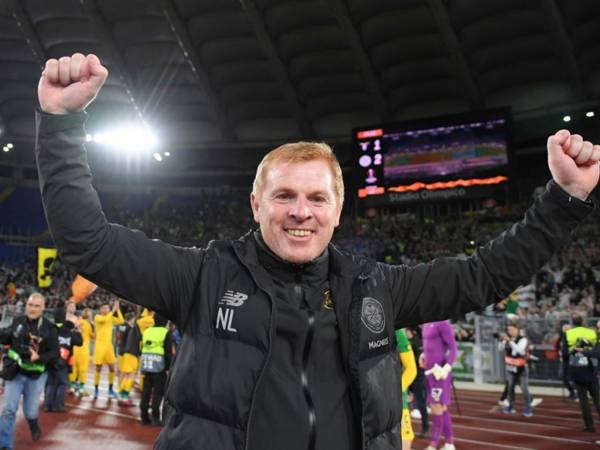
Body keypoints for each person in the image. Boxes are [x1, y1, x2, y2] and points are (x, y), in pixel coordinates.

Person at [35, 53, 598, 449]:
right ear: (256, 202)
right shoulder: (201, 277)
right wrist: (61, 125)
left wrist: (565, 200)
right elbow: (89, 242)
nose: (300, 211)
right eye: (284, 195)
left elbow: (483, 276)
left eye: (315, 198)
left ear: (337, 207)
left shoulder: (377, 287)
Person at [0, 293, 59, 448]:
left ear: (43, 308)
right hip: (15, 372)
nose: (32, 309)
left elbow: (55, 353)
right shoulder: (17, 321)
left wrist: (38, 357)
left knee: (30, 412)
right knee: (8, 410)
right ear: (26, 305)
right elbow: (7, 338)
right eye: (30, 305)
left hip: (36, 375)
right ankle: (5, 445)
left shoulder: (49, 327)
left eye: (37, 306)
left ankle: (33, 423)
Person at [422, 320, 457, 450]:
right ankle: (449, 443)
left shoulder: (443, 322)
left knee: (436, 406)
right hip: (429, 373)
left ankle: (433, 444)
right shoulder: (425, 322)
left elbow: (453, 348)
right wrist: (423, 355)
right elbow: (430, 345)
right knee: (442, 409)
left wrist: (446, 368)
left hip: (439, 373)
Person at [44, 305, 82, 412]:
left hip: (50, 360)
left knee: (51, 383)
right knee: (63, 383)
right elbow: (79, 342)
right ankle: (58, 405)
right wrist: (78, 329)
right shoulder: (68, 330)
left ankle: (48, 405)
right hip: (63, 361)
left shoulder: (51, 328)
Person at [566, 313, 600, 432]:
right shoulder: (591, 332)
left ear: (572, 322)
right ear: (583, 321)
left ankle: (589, 425)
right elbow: (596, 348)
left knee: (583, 399)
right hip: (591, 367)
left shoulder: (569, 333)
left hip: (577, 368)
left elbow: (566, 352)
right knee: (597, 397)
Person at [139, 314, 172, 425]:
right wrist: (168, 367)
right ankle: (155, 417)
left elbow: (142, 347)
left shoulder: (147, 331)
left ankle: (143, 416)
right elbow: (168, 352)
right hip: (159, 366)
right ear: (165, 321)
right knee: (158, 393)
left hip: (147, 364)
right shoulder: (165, 332)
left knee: (146, 392)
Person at [499, 321, 533, 416]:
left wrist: (510, 341)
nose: (510, 331)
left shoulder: (523, 339)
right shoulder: (507, 339)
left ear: (517, 330)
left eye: (512, 329)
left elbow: (520, 350)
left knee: (524, 388)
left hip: (521, 368)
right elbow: (500, 349)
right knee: (510, 388)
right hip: (510, 368)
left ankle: (528, 408)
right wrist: (502, 341)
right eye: (509, 330)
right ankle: (511, 406)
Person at [92, 300, 123, 399]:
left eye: (107, 308)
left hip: (109, 347)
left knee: (112, 368)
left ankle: (110, 389)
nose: (106, 309)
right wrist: (113, 311)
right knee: (98, 368)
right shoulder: (97, 317)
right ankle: (96, 389)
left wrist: (117, 310)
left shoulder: (110, 317)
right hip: (99, 346)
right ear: (100, 310)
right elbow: (104, 320)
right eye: (104, 308)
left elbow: (121, 321)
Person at [396, 328, 417, 450]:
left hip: (398, 402)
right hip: (368, 401)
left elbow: (411, 369)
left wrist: (396, 390)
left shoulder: (397, 332)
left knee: (404, 442)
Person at [406, 326, 429, 437]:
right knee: (405, 403)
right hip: (405, 376)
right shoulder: (404, 341)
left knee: (420, 402)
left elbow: (421, 360)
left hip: (417, 376)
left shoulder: (417, 340)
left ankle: (426, 427)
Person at [117, 312, 141, 406]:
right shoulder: (133, 328)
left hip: (122, 351)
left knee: (123, 374)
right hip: (130, 352)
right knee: (130, 375)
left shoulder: (122, 326)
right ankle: (124, 396)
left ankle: (121, 395)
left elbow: (118, 337)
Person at [69, 307, 94, 397]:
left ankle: (72, 387)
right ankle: (81, 389)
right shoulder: (89, 324)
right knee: (83, 370)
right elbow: (93, 337)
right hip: (83, 349)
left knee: (74, 368)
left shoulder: (77, 322)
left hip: (75, 348)